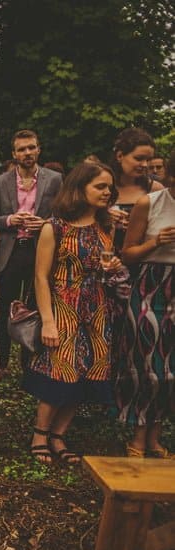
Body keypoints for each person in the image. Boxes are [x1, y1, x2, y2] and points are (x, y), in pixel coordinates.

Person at [24, 162, 124, 465]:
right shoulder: (54, 226)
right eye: (100, 186)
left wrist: (115, 268)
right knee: (60, 370)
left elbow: (109, 268)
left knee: (89, 372)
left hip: (98, 309)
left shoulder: (108, 225)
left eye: (110, 187)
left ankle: (59, 435)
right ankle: (40, 434)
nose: (107, 192)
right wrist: (48, 321)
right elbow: (41, 276)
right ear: (80, 189)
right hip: (63, 307)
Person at [116, 149, 175, 458]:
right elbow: (127, 254)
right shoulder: (149, 203)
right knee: (149, 366)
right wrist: (156, 242)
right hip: (151, 288)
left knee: (171, 370)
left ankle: (156, 437)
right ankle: (139, 437)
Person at [0, 129, 63, 373]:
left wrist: (43, 224)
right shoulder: (0, 182)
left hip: (38, 249)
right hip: (10, 251)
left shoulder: (54, 179)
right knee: (5, 307)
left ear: (38, 149)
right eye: (22, 149)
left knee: (35, 307)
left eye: (31, 147)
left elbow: (61, 216)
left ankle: (29, 363)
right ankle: (0, 363)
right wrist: (11, 219)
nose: (27, 152)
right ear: (14, 154)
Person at [108, 128, 164, 250]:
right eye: (139, 158)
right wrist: (103, 217)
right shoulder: (102, 186)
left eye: (148, 160)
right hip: (105, 257)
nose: (144, 165)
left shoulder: (155, 188)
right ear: (120, 156)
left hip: (143, 259)